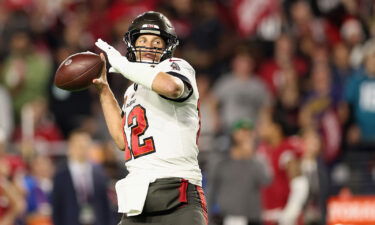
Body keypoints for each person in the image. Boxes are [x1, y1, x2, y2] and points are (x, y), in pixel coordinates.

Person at [93, 11, 207, 225]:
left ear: (167, 48)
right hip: (138, 199)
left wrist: (123, 66)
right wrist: (104, 89)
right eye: (143, 40)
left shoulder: (177, 67)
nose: (149, 46)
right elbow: (121, 140)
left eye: (156, 41)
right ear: (132, 44)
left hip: (177, 194)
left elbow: (171, 87)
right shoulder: (131, 91)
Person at [207, 119, 272, 225]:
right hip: (226, 218)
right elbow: (211, 191)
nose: (246, 135)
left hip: (252, 219)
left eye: (249, 132)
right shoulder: (221, 161)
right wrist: (207, 218)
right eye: (242, 131)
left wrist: (252, 156)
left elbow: (266, 181)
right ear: (233, 134)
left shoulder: (258, 159)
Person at [51, 129, 113, 225]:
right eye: (79, 146)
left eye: (85, 146)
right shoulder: (60, 175)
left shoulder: (99, 173)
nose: (82, 150)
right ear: (70, 147)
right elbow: (57, 208)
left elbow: (105, 204)